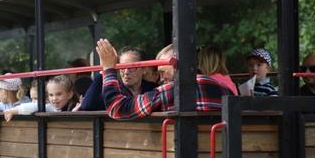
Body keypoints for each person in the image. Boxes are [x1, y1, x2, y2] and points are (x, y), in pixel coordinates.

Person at [96, 39, 235, 118]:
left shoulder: (173, 90)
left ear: (175, 65)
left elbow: (116, 108)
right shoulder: (224, 89)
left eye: (163, 71)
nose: (161, 79)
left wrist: (108, 69)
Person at [79, 46, 157, 111]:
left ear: (144, 69)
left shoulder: (153, 89)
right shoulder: (112, 89)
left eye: (132, 67)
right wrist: (104, 70)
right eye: (122, 67)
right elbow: (87, 106)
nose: (126, 72)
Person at [4, 76, 79, 121]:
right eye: (51, 95)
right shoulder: (50, 107)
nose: (54, 98)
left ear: (70, 94)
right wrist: (13, 110)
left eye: (59, 94)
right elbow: (33, 106)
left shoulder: (75, 106)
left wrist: (73, 114)